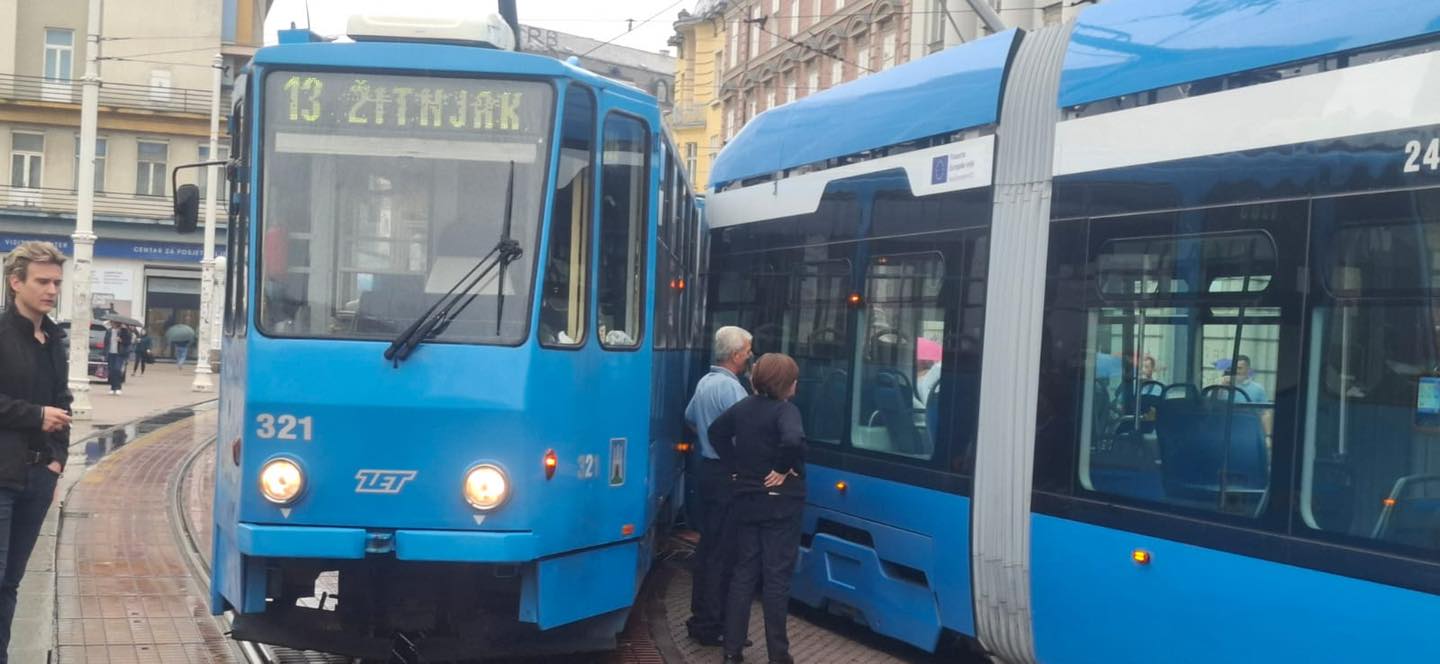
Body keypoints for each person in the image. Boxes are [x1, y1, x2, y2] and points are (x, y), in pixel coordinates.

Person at [709, 353, 807, 664]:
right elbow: (792, 440)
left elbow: (715, 433)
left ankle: (731, 650)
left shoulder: (743, 408)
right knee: (776, 579)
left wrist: (734, 466)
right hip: (781, 506)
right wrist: (782, 467)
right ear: (787, 384)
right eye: (794, 379)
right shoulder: (786, 411)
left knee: (743, 575)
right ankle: (778, 655)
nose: (796, 384)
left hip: (746, 501)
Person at [0, 242, 71, 660]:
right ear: (16, 283)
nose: (51, 290)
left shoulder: (53, 339)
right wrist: (35, 415)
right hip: (1, 477)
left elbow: (63, 403)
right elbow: (42, 411)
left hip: (37, 478)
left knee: (10, 583)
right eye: (42, 281)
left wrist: (56, 461)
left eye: (56, 282)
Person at [683, 325, 753, 647]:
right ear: (737, 354)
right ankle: (714, 624)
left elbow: (689, 418)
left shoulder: (705, 382)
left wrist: (705, 439)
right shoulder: (733, 390)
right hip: (727, 475)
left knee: (707, 549)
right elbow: (744, 436)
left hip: (706, 472)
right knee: (724, 555)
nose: (751, 355)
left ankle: (700, 619)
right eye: (748, 350)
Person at [101, 320, 131, 396]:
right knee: (111, 371)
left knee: (117, 370)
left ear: (118, 323)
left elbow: (128, 342)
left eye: (114, 323)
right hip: (110, 353)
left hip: (119, 353)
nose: (112, 324)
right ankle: (112, 387)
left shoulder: (124, 331)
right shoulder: (109, 331)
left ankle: (118, 388)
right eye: (111, 323)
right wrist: (104, 354)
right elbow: (106, 343)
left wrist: (121, 340)